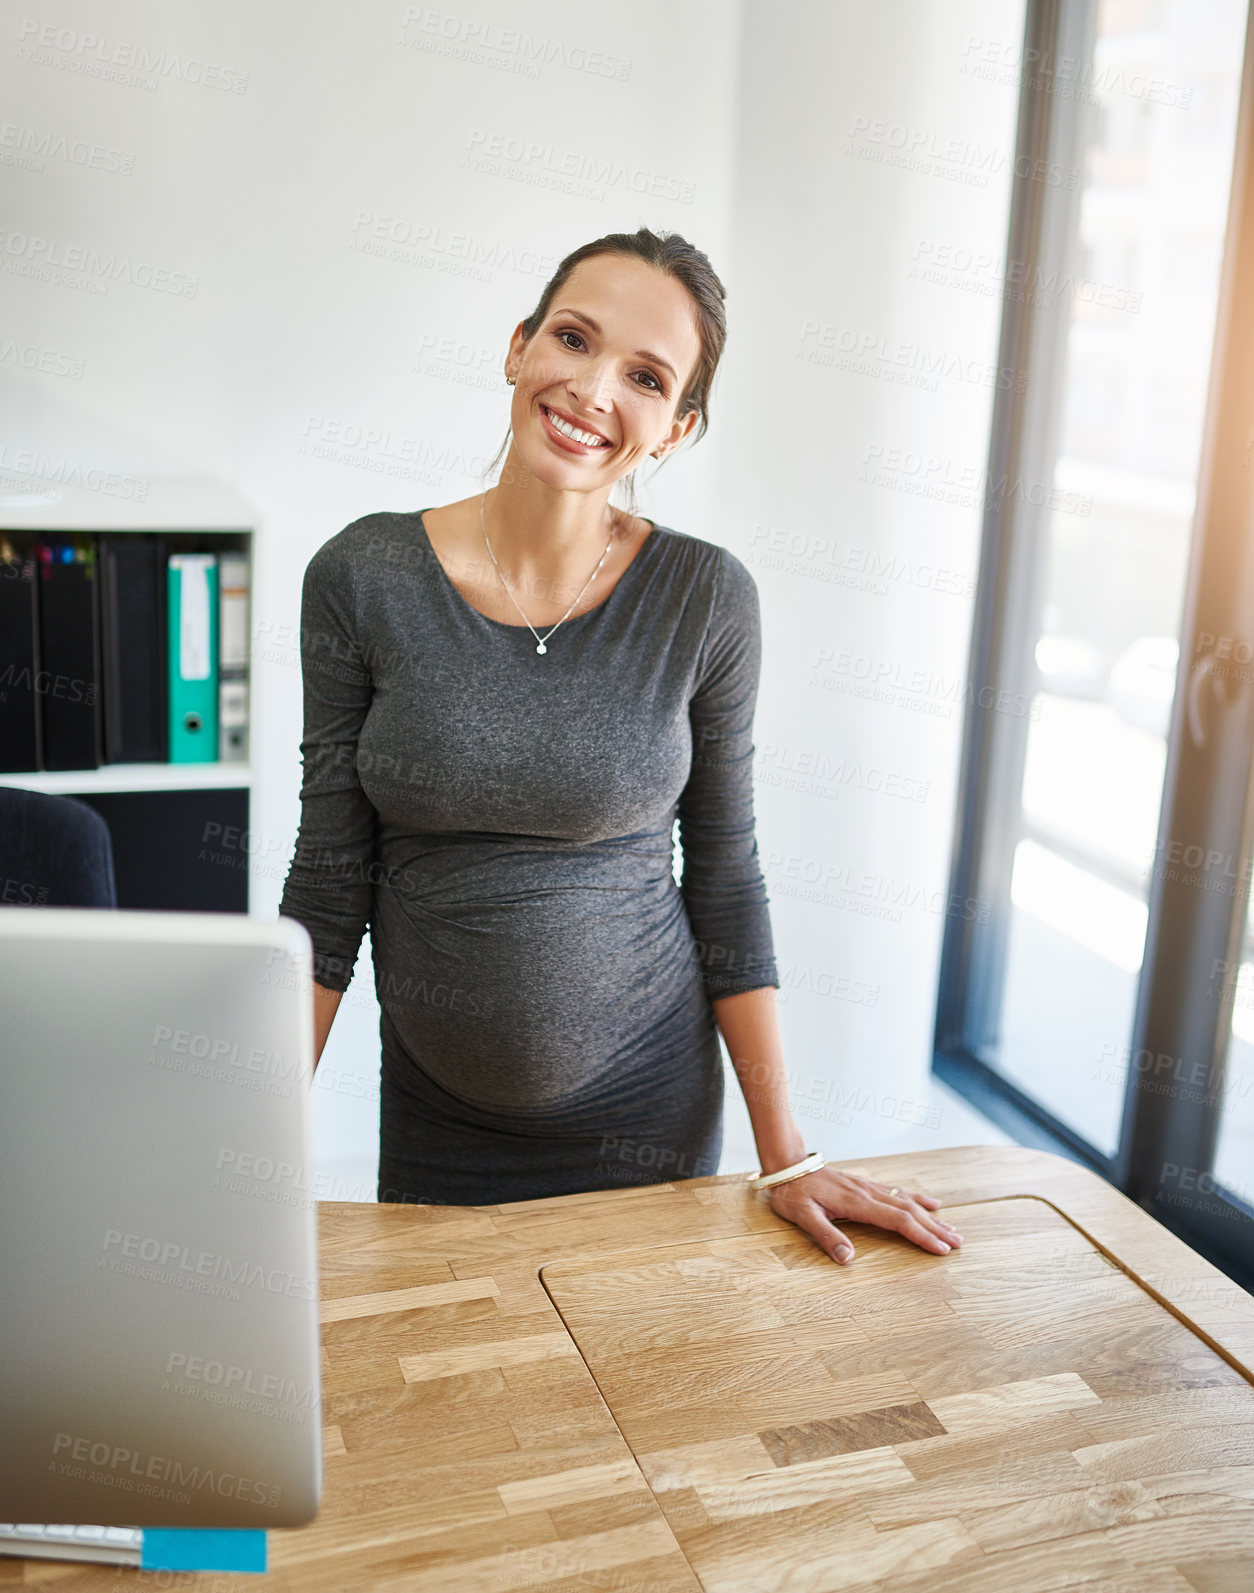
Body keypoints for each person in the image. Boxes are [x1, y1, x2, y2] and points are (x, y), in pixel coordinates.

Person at [277, 226, 962, 1267]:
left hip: (651, 1118)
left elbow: (726, 877)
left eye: (643, 375)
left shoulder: (706, 599)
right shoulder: (361, 576)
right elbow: (328, 887)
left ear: (677, 429)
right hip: (440, 1128)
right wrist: (244, 1160)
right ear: (517, 348)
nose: (593, 389)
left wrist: (785, 1157)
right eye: (572, 339)